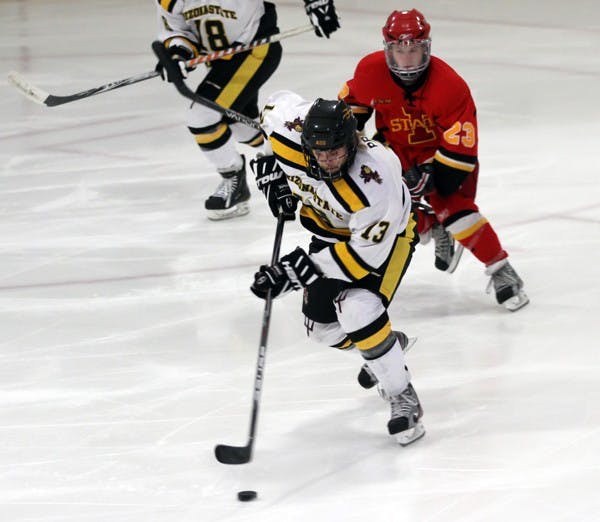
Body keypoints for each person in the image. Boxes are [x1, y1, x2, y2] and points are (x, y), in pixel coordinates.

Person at [248, 90, 425, 445]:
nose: (326, 160)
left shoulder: (377, 179)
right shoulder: (288, 128)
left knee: (357, 308)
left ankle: (402, 395)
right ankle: (385, 347)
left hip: (385, 242)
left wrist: (293, 272)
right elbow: (267, 120)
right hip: (329, 233)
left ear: (352, 142)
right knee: (322, 331)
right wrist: (268, 171)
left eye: (335, 151)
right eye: (318, 151)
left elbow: (363, 258)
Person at [339, 9, 529, 311]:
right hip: (395, 152)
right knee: (379, 206)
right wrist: (342, 137)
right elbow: (351, 108)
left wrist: (432, 175)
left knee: (455, 210)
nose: (407, 59)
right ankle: (430, 225)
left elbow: (462, 148)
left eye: (414, 49)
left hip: (443, 155)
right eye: (399, 50)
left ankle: (501, 269)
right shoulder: (370, 70)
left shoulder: (449, 86)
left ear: (426, 47)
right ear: (387, 49)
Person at [155, 0, 340, 220]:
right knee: (241, 126)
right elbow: (176, 30)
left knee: (201, 116)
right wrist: (177, 54)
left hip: (256, 49)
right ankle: (308, 156)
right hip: (221, 61)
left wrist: (316, 3)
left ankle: (233, 178)